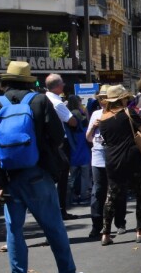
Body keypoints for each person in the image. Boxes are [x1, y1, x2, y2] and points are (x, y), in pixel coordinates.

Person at [0, 61, 86, 273]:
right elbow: (58, 136)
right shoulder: (39, 101)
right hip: (38, 174)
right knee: (53, 227)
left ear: (6, 81)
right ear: (29, 81)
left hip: (9, 178)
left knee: (14, 232)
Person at [99, 85, 141, 246]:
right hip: (133, 158)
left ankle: (106, 234)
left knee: (111, 196)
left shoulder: (102, 118)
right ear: (122, 99)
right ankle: (140, 232)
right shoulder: (129, 113)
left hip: (112, 160)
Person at [45, 74, 78, 221]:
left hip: (47, 142)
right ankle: (61, 209)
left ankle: (53, 208)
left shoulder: (44, 99)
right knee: (62, 176)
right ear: (58, 86)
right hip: (60, 142)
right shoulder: (57, 103)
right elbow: (72, 121)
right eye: (62, 84)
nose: (64, 86)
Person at [86, 84, 109, 238]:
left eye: (105, 99)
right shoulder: (95, 114)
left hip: (113, 156)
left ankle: (119, 222)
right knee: (97, 191)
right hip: (97, 156)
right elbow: (88, 138)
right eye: (100, 99)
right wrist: (93, 128)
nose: (102, 102)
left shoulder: (116, 114)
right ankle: (96, 225)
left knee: (116, 191)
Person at [66, 95, 91, 206]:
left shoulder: (67, 115)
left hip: (73, 149)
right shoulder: (81, 113)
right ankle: (84, 194)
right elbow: (88, 127)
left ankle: (72, 195)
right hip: (83, 147)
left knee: (73, 175)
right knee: (85, 174)